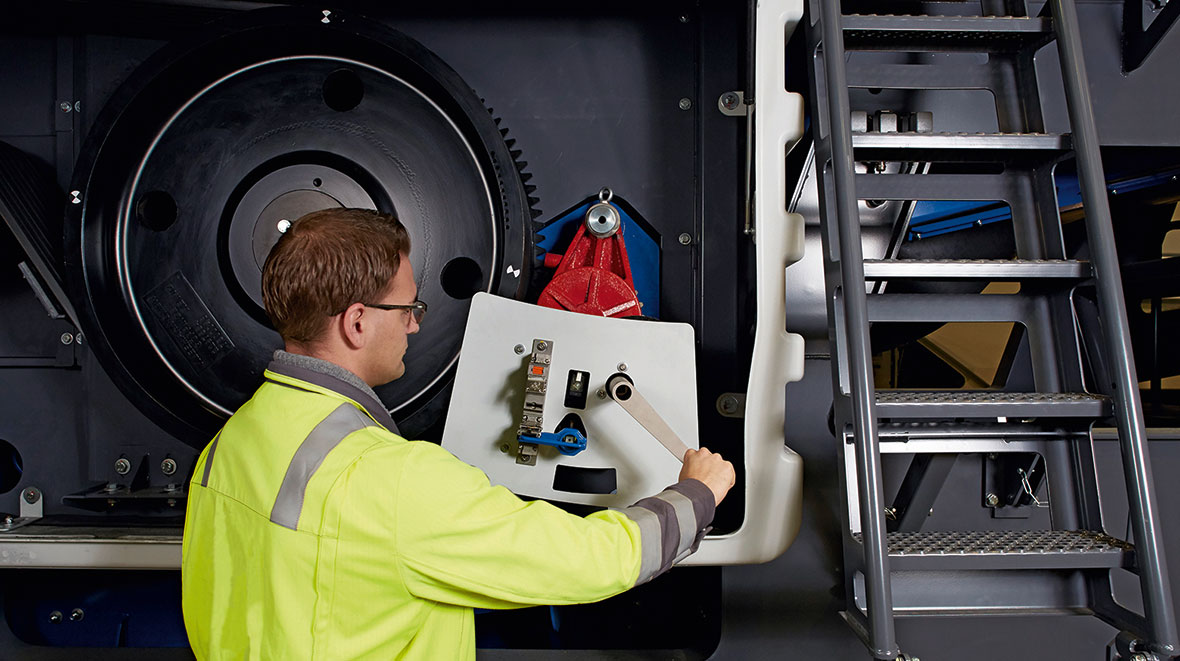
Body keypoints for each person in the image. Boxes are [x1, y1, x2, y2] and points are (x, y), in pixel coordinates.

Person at [181, 208, 735, 660]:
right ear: (356, 322)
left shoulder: (230, 444)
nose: (415, 323)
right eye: (407, 308)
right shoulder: (393, 481)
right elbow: (593, 559)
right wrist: (696, 494)